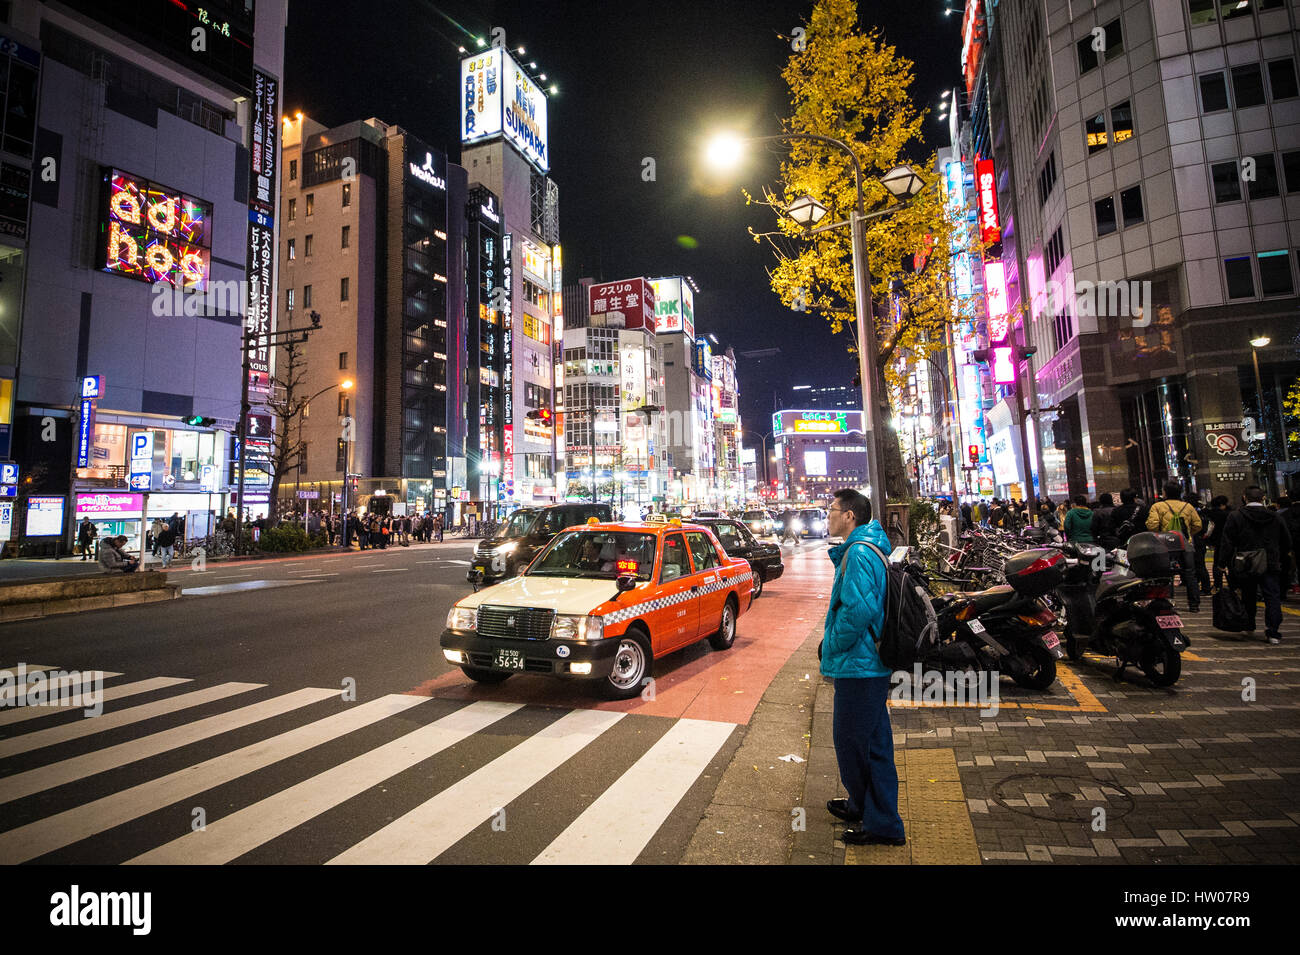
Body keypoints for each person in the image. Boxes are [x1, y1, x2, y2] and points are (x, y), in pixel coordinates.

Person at [821, 487, 906, 847]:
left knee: (852, 743)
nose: (828, 514)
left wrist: (831, 646)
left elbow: (858, 611)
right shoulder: (866, 547)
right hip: (867, 664)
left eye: (832, 509)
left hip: (860, 666)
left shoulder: (858, 553)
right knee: (872, 742)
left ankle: (883, 823)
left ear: (849, 516)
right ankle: (866, 807)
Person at [1220, 486, 1291, 644]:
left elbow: (1227, 542)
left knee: (1248, 594)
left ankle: (1249, 624)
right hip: (1270, 562)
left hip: (1246, 562)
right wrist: (1279, 555)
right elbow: (1286, 541)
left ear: (1244, 497)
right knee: (1272, 596)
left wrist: (1222, 563)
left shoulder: (1236, 516)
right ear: (1263, 498)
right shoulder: (1274, 516)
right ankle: (1273, 632)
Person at [1146, 480, 1203, 613]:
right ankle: (1194, 604)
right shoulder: (1188, 506)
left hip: (1164, 545)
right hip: (1184, 544)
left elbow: (1152, 526)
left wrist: (1161, 533)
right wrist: (1187, 534)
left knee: (1166, 574)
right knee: (1190, 574)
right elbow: (1198, 525)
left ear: (1165, 492)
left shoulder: (1158, 506)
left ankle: (1168, 602)